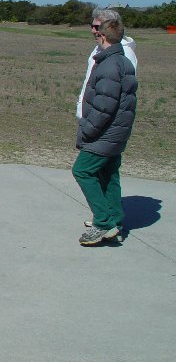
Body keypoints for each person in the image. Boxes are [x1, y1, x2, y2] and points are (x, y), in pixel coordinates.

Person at [72, 15, 137, 246]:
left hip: (105, 134)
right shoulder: (123, 60)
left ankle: (103, 223)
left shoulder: (109, 65)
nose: (93, 32)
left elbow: (104, 107)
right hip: (117, 132)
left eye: (96, 29)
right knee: (108, 174)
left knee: (82, 170)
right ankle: (115, 219)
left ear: (102, 35)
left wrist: (87, 130)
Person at [76, 7, 137, 119]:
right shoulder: (98, 48)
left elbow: (114, 95)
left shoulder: (125, 52)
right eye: (92, 26)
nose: (93, 31)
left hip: (105, 120)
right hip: (90, 116)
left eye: (97, 27)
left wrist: (95, 121)